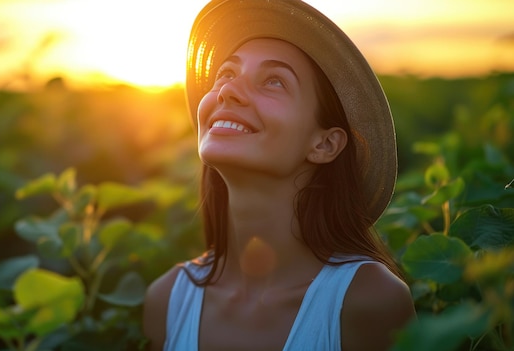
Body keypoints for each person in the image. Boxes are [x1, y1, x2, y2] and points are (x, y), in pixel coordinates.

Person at [143, 0, 416, 350]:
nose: (227, 90)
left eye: (273, 81)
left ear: (325, 144)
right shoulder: (167, 301)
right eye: (226, 74)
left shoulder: (371, 302)